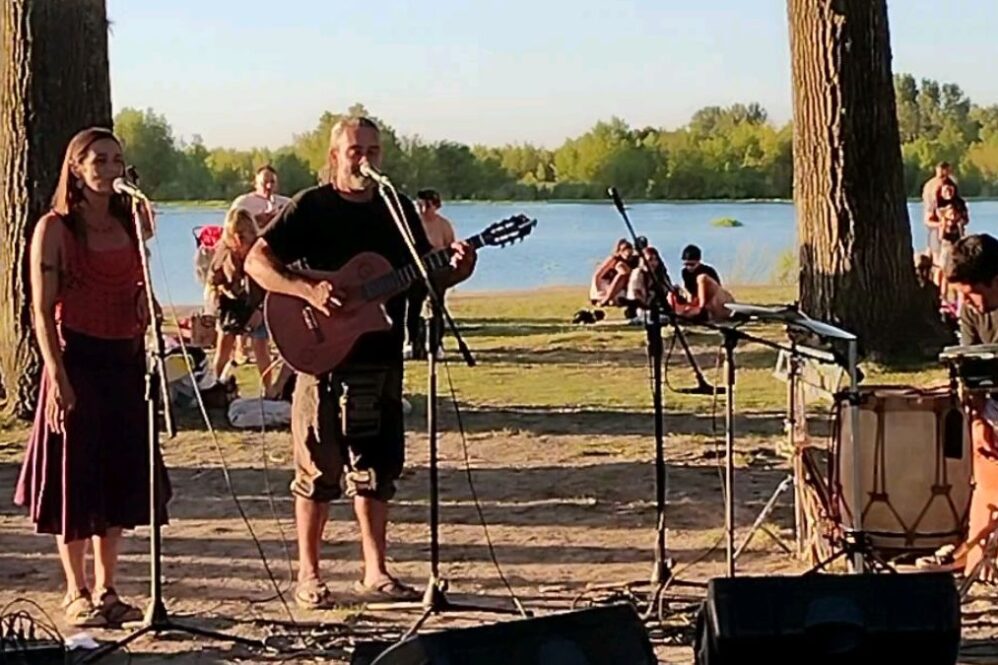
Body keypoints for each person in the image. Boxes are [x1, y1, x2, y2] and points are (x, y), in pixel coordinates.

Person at [245, 116, 477, 608]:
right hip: (320, 357)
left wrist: (453, 273)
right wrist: (307, 288)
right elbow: (257, 262)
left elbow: (416, 279)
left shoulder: (395, 210)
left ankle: (375, 570)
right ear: (334, 156)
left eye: (373, 150)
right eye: (355, 150)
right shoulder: (312, 206)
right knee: (316, 464)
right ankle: (309, 574)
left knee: (377, 465)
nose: (364, 159)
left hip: (379, 353)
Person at [13, 127, 171, 627]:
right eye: (99, 160)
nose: (109, 169)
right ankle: (76, 589)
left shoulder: (129, 222)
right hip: (77, 359)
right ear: (77, 168)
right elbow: (40, 310)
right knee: (75, 479)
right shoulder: (55, 229)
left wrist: (149, 311)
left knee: (118, 476)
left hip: (123, 360)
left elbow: (137, 286)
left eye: (116, 159)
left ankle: (108, 587)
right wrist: (56, 374)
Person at [918, 233, 998, 582]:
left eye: (974, 292)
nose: (970, 303)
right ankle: (978, 552)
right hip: (996, 408)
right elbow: (973, 375)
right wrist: (978, 422)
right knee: (985, 470)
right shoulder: (969, 309)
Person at [201, 207, 273, 392]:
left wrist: (260, 310)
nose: (240, 239)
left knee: (260, 349)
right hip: (232, 304)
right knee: (224, 347)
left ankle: (269, 389)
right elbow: (213, 279)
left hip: (257, 302)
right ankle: (215, 384)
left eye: (244, 233)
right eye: (235, 234)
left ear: (252, 231)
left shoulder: (262, 250)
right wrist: (219, 294)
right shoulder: (224, 251)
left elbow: (271, 284)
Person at [404, 189, 457, 360]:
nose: (422, 209)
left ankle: (436, 345)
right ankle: (411, 341)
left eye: (427, 205)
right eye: (419, 205)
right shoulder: (412, 223)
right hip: (416, 271)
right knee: (413, 306)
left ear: (436, 206)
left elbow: (450, 248)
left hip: (437, 271)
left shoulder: (444, 225)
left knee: (437, 307)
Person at [669, 244, 734, 323]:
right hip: (697, 300)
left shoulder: (708, 271)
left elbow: (717, 291)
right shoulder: (685, 273)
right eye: (686, 265)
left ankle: (701, 309)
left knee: (701, 278)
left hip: (714, 300)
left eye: (692, 265)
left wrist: (702, 306)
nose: (689, 267)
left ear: (699, 261)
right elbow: (689, 292)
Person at [231, 164, 293, 232]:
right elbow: (231, 229)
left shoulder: (287, 203)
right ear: (255, 184)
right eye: (264, 182)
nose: (269, 186)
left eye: (272, 182)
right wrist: (256, 221)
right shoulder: (242, 203)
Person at [922, 161, 953, 267]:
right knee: (938, 261)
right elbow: (928, 218)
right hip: (936, 229)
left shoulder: (950, 184)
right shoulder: (932, 185)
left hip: (950, 233)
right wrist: (942, 224)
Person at [589, 239, 636, 307]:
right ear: (619, 251)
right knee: (621, 274)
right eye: (624, 249)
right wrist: (598, 291)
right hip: (604, 286)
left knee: (623, 275)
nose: (627, 252)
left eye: (629, 249)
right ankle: (606, 299)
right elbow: (598, 275)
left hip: (619, 289)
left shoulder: (634, 261)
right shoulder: (613, 260)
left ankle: (609, 299)